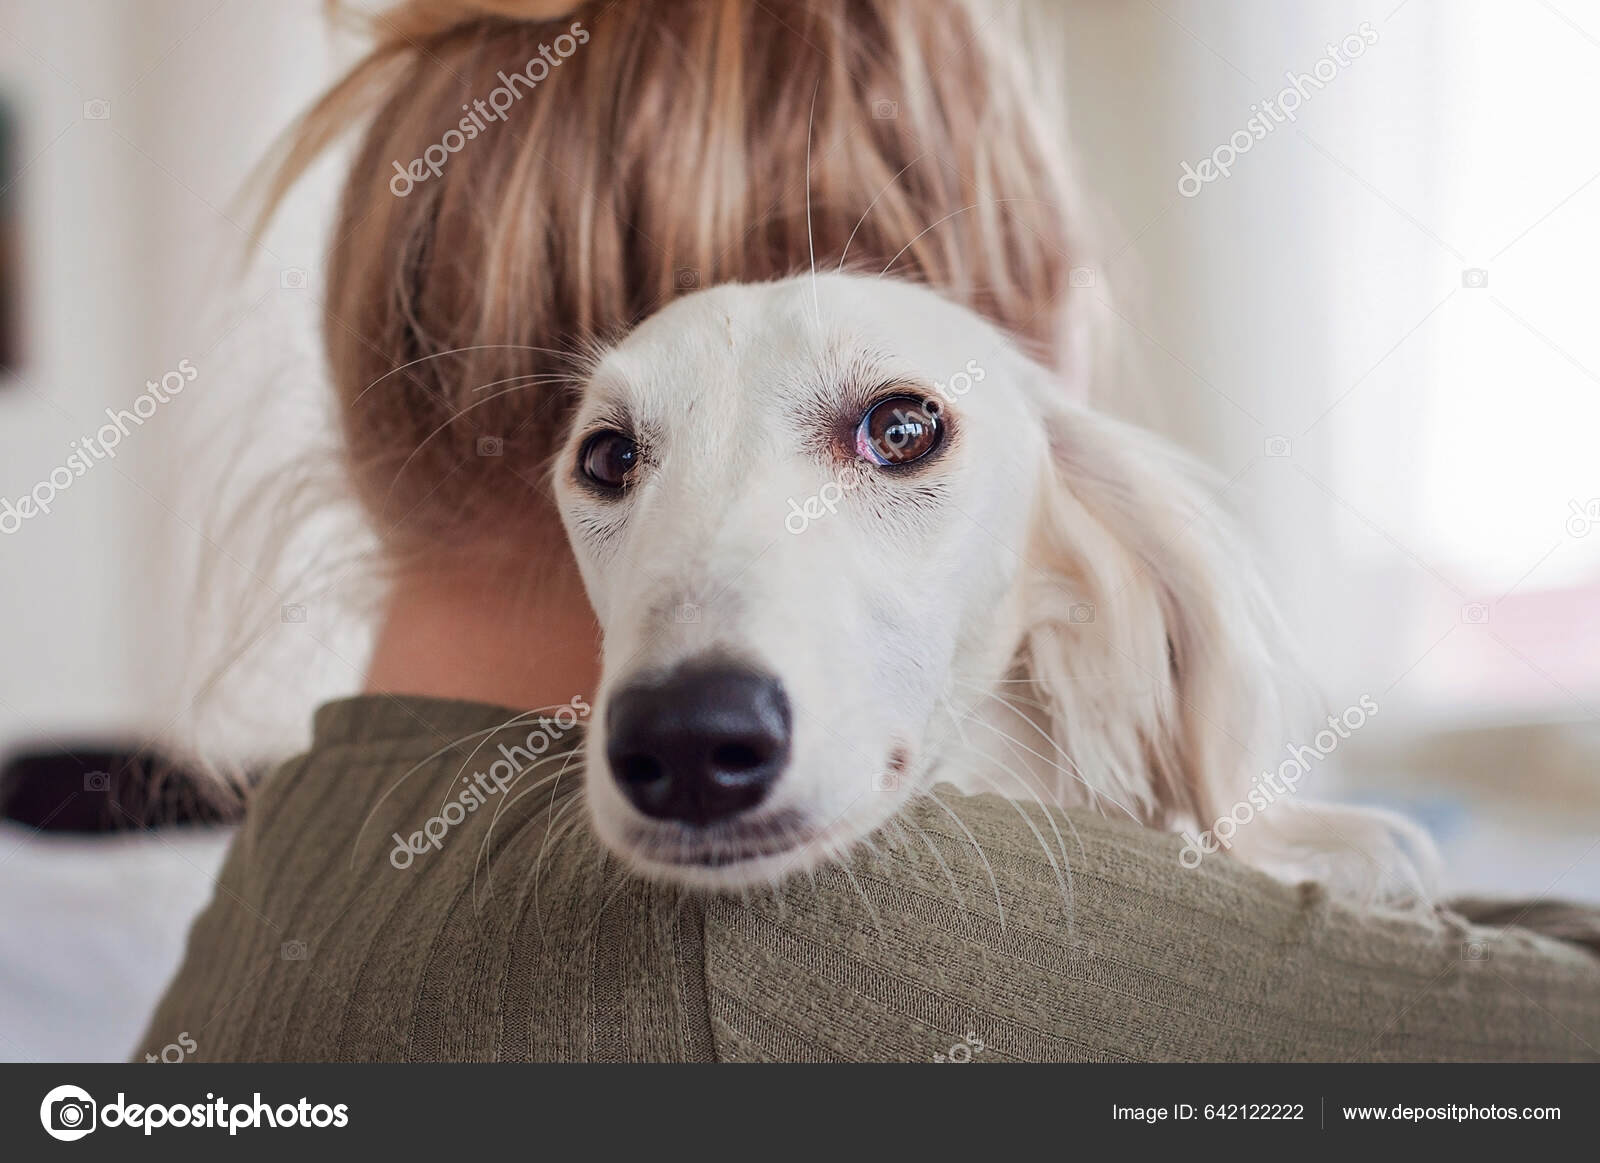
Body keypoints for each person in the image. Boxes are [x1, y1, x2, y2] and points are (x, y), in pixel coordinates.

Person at [141, 0, 1600, 1061]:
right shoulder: (784, 919)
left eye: (896, 432)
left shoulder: (305, 841)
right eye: (614, 458)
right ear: (1008, 294)